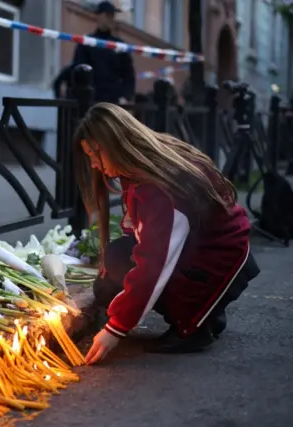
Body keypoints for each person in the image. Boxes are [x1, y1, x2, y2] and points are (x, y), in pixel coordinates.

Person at [73, 103, 260, 365]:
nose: (94, 165)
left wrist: (115, 329)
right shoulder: (140, 167)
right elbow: (142, 231)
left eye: (95, 155)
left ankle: (192, 328)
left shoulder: (158, 189)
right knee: (114, 265)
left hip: (220, 262)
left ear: (116, 144)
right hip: (207, 254)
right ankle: (206, 312)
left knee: (132, 271)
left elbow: (154, 264)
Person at [53, 1, 135, 103]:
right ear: (99, 16)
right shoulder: (87, 42)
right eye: (107, 15)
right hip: (90, 100)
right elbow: (78, 68)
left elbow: (129, 75)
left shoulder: (119, 45)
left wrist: (125, 96)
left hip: (113, 102)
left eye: (112, 15)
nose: (110, 18)